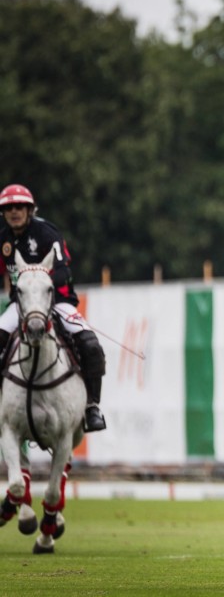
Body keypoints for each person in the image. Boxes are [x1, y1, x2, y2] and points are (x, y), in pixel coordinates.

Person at [0, 183, 107, 432]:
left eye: (20, 207)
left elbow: (61, 271)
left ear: (29, 210)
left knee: (90, 344)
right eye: (9, 208)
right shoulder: (2, 239)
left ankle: (92, 407)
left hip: (57, 302)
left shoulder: (46, 233)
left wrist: (36, 280)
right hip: (21, 307)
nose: (14, 211)